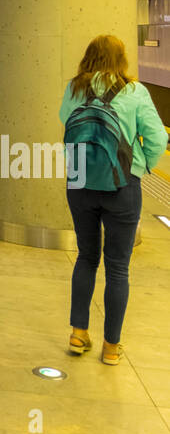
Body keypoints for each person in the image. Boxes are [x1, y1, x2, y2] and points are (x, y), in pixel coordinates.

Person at [59, 35, 167, 365]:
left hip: (80, 182)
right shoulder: (135, 91)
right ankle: (111, 347)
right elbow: (159, 137)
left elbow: (66, 123)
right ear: (121, 59)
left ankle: (78, 333)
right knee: (118, 268)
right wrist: (142, 164)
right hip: (122, 186)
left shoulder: (75, 87)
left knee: (86, 257)